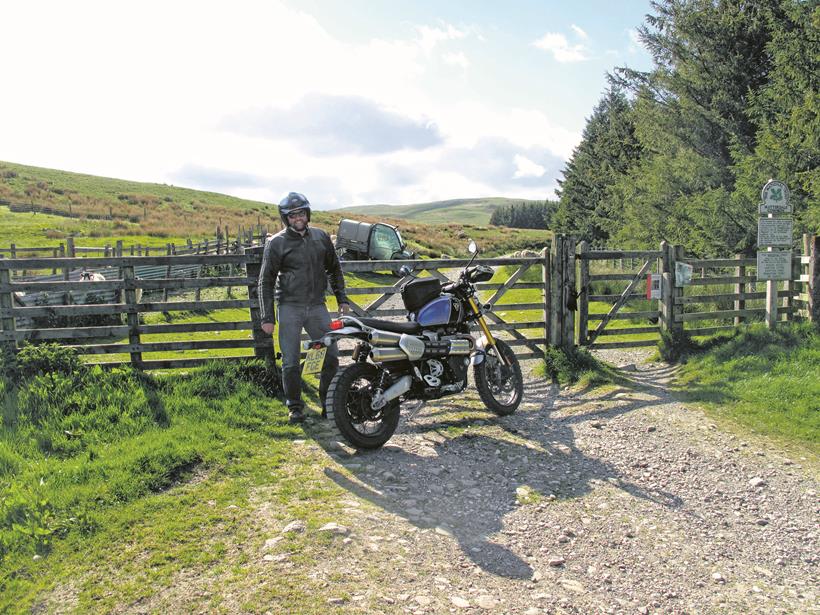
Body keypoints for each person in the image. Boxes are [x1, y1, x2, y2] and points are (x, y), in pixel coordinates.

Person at [258, 192, 351, 423]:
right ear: (285, 218)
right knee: (290, 359)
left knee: (330, 355)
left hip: (317, 307)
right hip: (289, 307)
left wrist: (342, 299)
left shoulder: (320, 237)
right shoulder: (276, 242)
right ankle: (295, 406)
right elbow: (265, 280)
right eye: (292, 215)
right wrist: (267, 317)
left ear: (307, 214)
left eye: (301, 213)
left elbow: (334, 269)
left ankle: (328, 404)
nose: (297, 218)